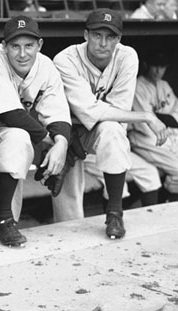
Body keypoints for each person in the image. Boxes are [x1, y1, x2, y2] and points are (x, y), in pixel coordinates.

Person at [52, 9, 167, 239]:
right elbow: (88, 110)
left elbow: (118, 111)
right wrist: (145, 115)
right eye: (97, 35)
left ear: (118, 39)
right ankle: (64, 240)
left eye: (110, 37)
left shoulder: (127, 57)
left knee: (113, 130)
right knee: (68, 208)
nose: (103, 43)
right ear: (86, 35)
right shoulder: (65, 59)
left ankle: (114, 213)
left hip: (97, 132)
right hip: (65, 131)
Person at [0, 16, 71, 246]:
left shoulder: (45, 65)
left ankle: (5, 223)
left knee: (21, 142)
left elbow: (58, 111)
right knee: (20, 139)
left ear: (39, 45)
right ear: (4, 46)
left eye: (29, 46)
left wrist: (61, 145)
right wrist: (49, 142)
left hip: (15, 133)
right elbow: (10, 113)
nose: (22, 54)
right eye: (15, 46)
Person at [129, 51, 178, 202]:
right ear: (146, 65)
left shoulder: (164, 85)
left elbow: (175, 114)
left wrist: (164, 119)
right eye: (155, 66)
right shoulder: (138, 86)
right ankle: (167, 202)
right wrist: (165, 118)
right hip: (144, 138)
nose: (158, 71)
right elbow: (147, 123)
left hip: (168, 135)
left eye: (162, 67)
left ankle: (166, 200)